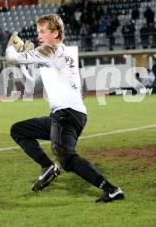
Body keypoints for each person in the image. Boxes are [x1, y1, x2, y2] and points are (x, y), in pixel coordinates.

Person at [7, 14, 124, 203]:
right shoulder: (58, 53)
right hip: (63, 114)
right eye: (38, 32)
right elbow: (31, 84)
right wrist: (23, 63)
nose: (39, 35)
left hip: (66, 114)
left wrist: (12, 45)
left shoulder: (49, 49)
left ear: (55, 33)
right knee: (19, 130)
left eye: (43, 31)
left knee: (66, 158)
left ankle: (111, 190)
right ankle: (47, 167)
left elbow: (10, 58)